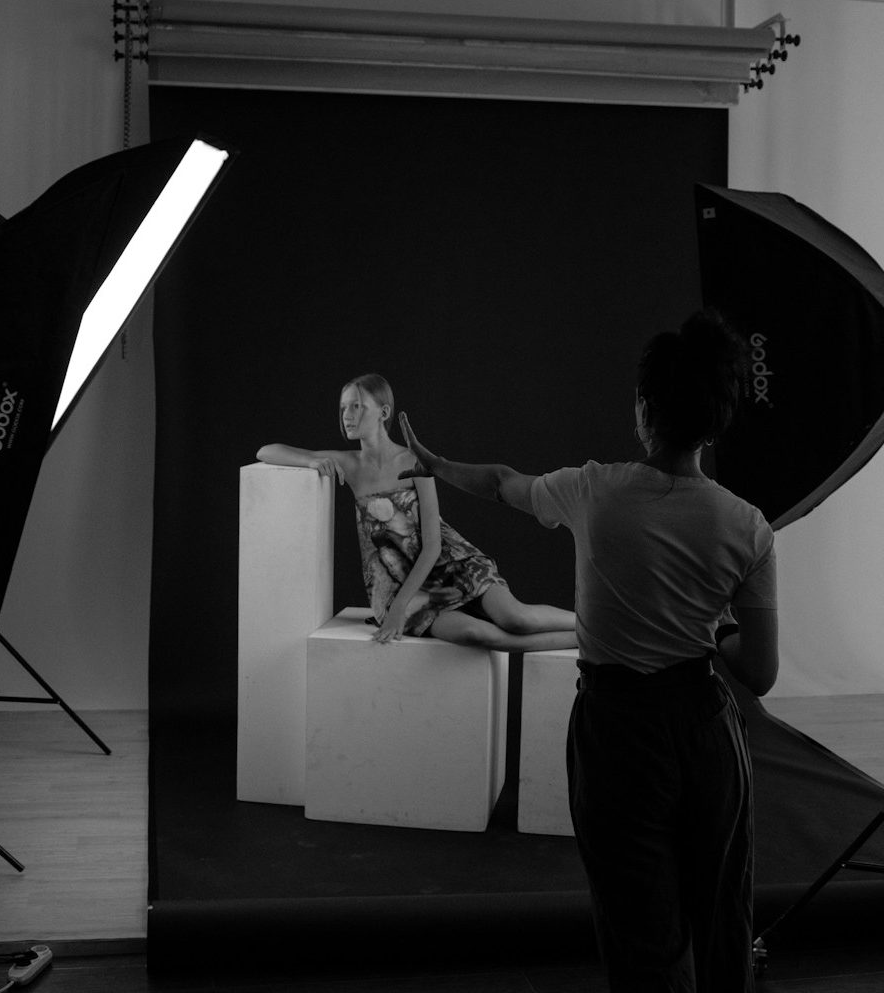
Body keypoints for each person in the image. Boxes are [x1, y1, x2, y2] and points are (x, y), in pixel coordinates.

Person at [398, 311, 778, 993]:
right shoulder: (748, 527)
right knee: (723, 916)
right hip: (706, 729)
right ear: (717, 420)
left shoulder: (593, 490)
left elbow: (501, 481)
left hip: (618, 730)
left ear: (645, 410)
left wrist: (435, 464)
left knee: (641, 933)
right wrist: (715, 625)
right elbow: (760, 671)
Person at [256, 373, 576, 651]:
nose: (347, 416)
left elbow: (433, 544)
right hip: (398, 584)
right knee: (476, 634)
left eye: (357, 406)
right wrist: (311, 460)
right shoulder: (350, 464)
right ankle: (587, 641)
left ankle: (592, 625)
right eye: (343, 408)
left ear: (383, 412)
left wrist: (400, 609)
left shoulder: (412, 461)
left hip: (452, 563)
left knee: (516, 619)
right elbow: (266, 450)